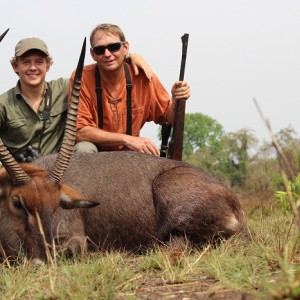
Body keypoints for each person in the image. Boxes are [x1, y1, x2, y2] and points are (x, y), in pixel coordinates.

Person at [0, 36, 153, 162]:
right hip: (19, 177)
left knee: (84, 148)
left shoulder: (67, 87)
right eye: (26, 62)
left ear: (48, 65)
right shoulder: (3, 104)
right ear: (15, 66)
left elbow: (102, 72)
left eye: (39, 62)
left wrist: (130, 57)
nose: (33, 68)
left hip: (58, 174)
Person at [70, 23, 190, 156]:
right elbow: (80, 132)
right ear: (92, 54)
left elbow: (170, 119)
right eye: (100, 50)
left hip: (130, 155)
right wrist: (127, 139)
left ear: (125, 47)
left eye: (114, 47)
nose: (107, 54)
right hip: (96, 154)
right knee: (83, 149)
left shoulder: (144, 77)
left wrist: (177, 100)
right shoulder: (81, 77)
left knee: (151, 155)